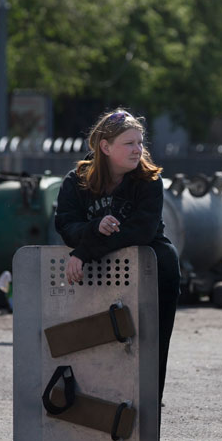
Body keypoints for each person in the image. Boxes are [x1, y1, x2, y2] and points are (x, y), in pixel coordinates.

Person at [54, 109, 180, 405]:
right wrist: (93, 227)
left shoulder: (149, 180)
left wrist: (85, 251)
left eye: (140, 142)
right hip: (98, 275)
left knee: (149, 354)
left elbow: (139, 232)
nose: (138, 149)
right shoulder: (77, 181)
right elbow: (65, 227)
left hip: (153, 273)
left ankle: (145, 437)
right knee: (96, 350)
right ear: (105, 147)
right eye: (129, 143)